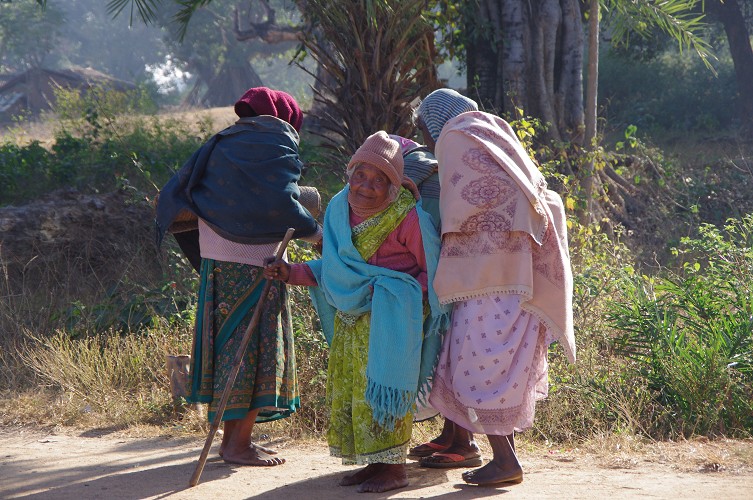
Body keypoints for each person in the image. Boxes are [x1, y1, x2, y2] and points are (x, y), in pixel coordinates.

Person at [264, 131, 449, 493]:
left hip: (393, 324)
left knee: (387, 388)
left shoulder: (408, 219)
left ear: (394, 186)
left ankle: (394, 469)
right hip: (352, 324)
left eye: (379, 180)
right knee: (358, 393)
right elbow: (335, 271)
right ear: (349, 173)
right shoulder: (337, 209)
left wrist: (392, 291)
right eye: (360, 175)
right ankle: (372, 463)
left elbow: (435, 273)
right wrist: (290, 273)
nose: (366, 186)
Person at [413, 88, 576, 486]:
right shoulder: (493, 136)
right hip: (513, 276)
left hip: (494, 281)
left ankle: (506, 462)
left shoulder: (456, 136)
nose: (426, 142)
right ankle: (464, 443)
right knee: (464, 358)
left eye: (424, 130)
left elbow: (465, 211)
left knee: (481, 366)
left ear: (438, 121)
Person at [155, 87, 321, 466]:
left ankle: (236, 441)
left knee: (231, 346)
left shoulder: (223, 141)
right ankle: (236, 445)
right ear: (287, 116)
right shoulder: (276, 140)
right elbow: (280, 200)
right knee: (254, 349)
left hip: (217, 260)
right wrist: (317, 235)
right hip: (255, 262)